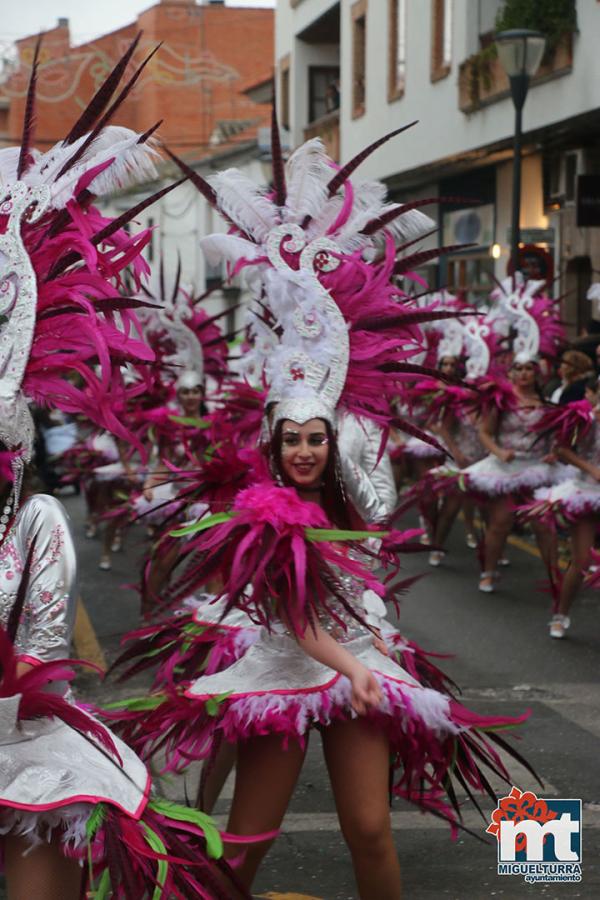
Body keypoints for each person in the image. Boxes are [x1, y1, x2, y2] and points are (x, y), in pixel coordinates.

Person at [460, 356, 563, 593]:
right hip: (505, 469)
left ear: (537, 374)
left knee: (543, 526)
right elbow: (484, 432)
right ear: (512, 373)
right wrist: (499, 452)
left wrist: (553, 453)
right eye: (520, 369)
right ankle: (488, 571)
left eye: (529, 368)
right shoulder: (501, 402)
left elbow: (555, 439)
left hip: (537, 470)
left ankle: (554, 577)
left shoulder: (546, 405)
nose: (525, 373)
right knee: (500, 522)